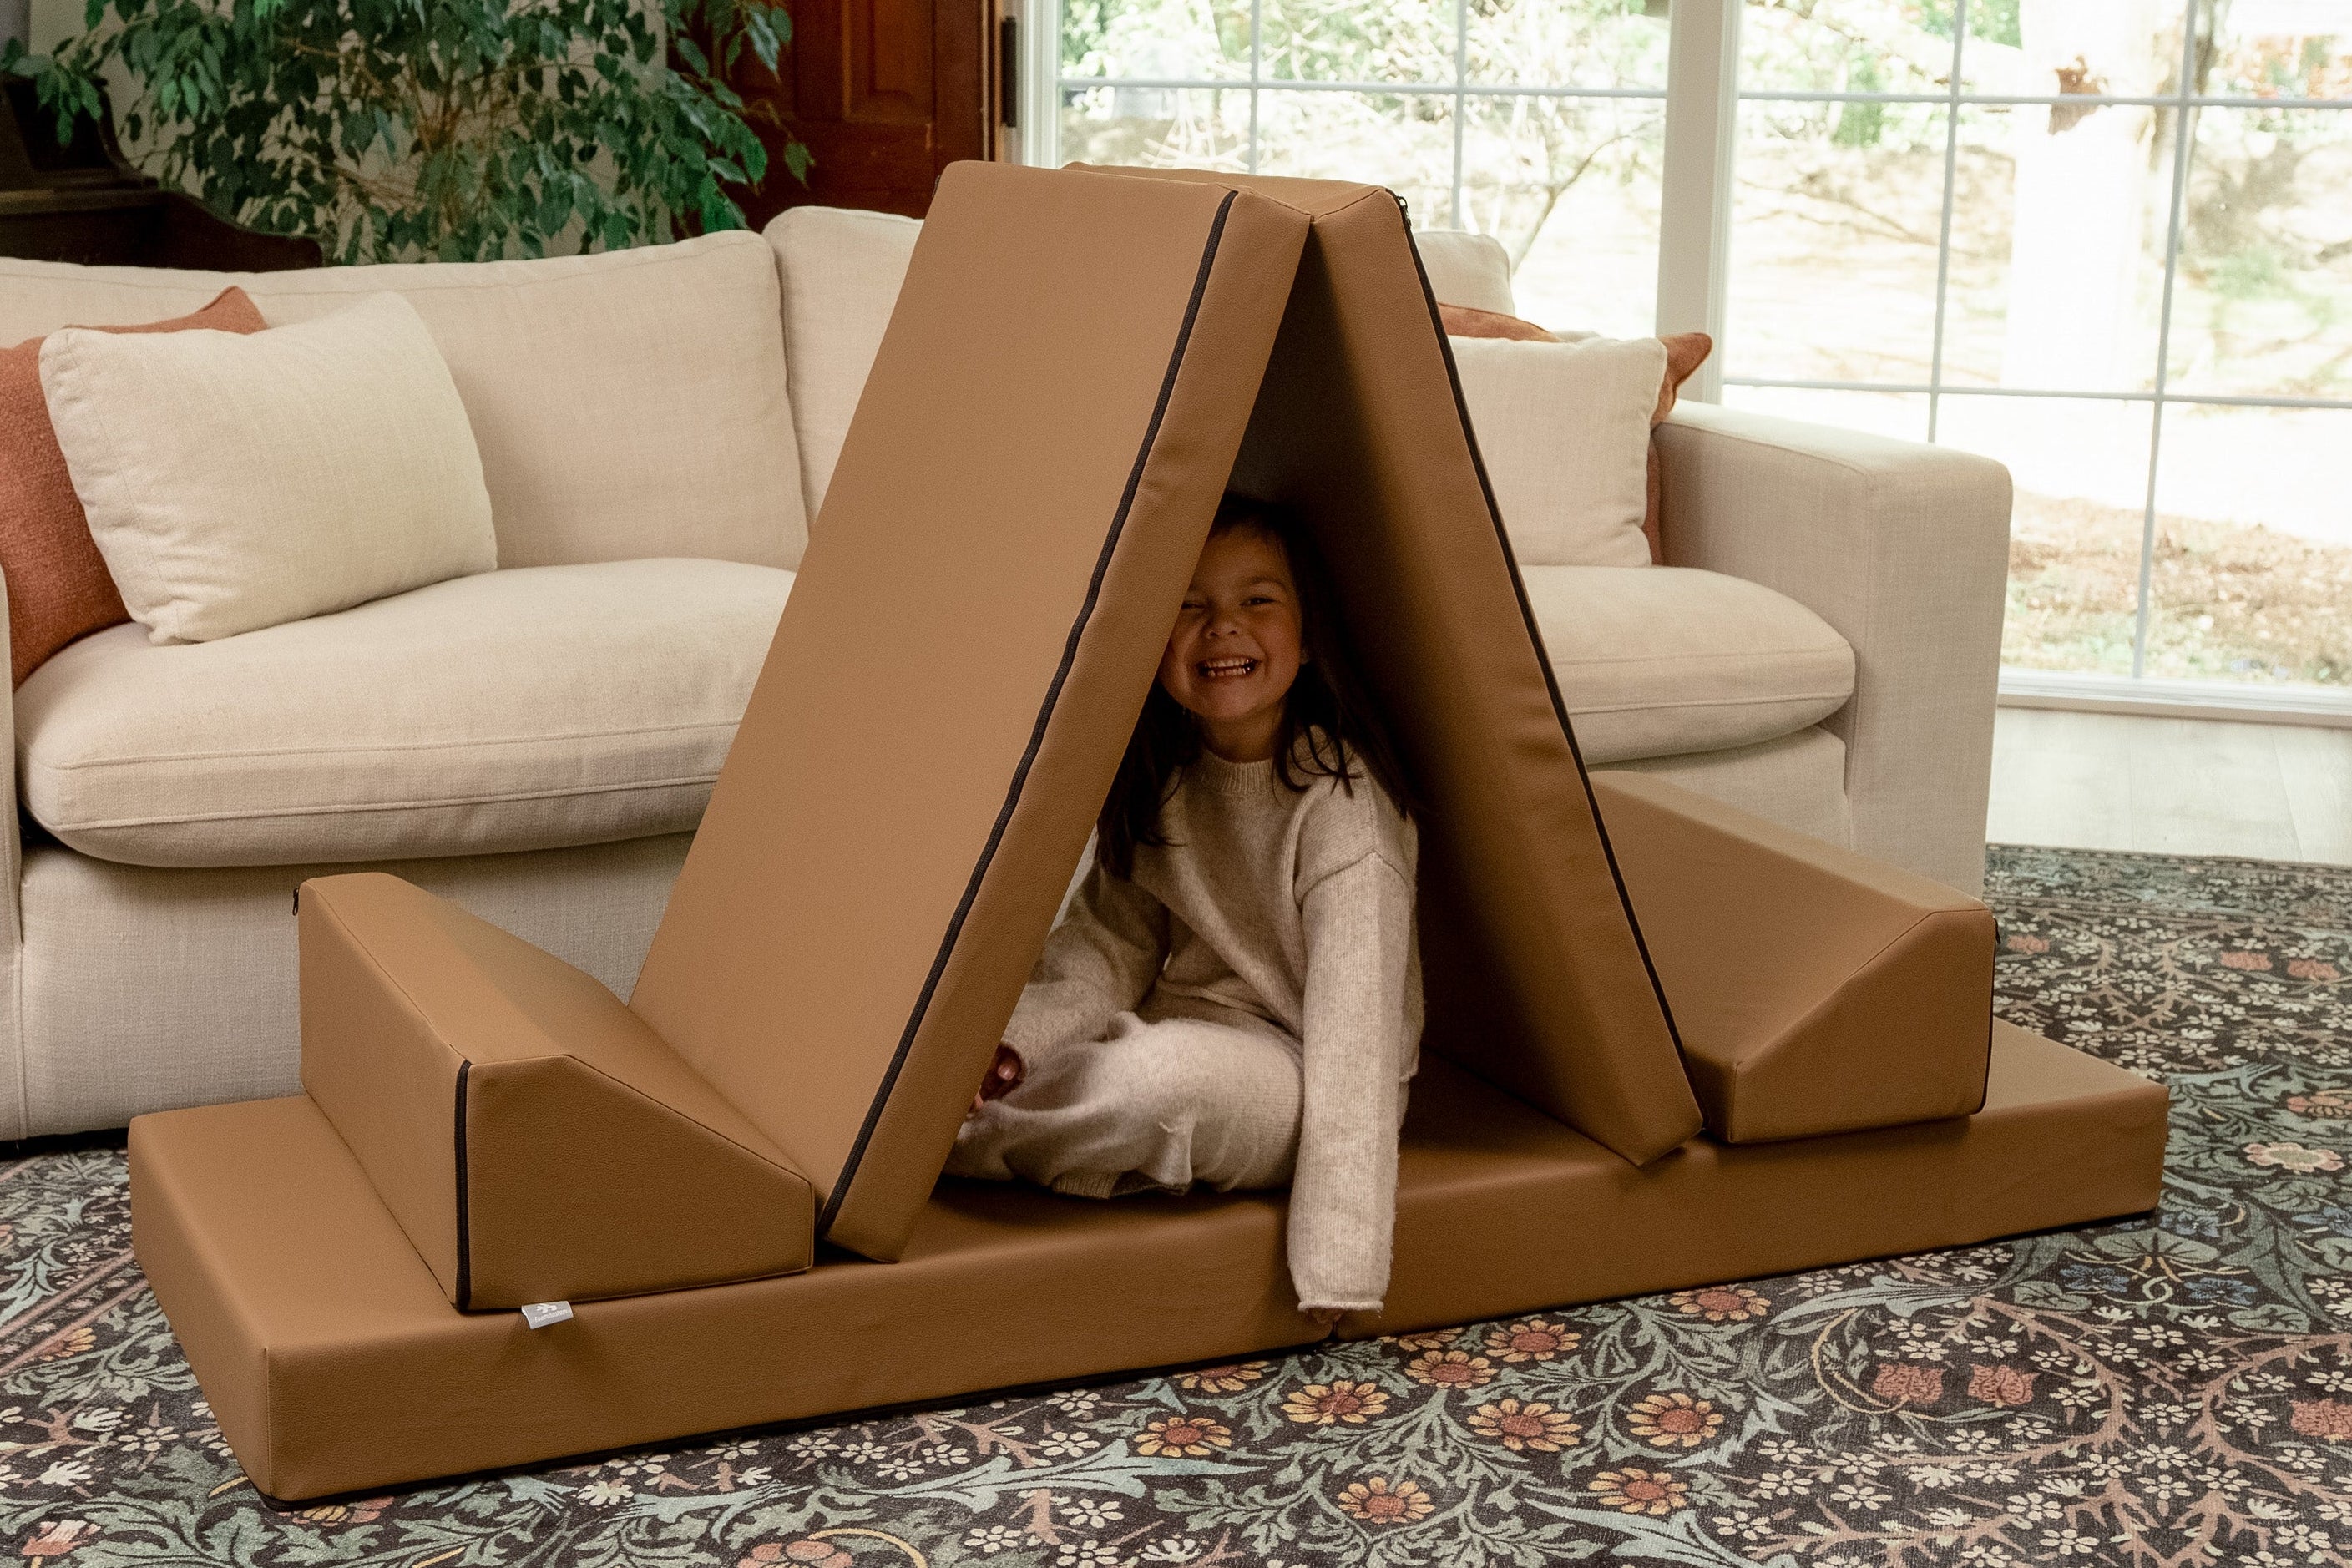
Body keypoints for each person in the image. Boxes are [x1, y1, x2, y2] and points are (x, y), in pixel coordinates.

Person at [947, 494, 1422, 1323]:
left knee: (1159, 1085)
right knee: (1019, 1054)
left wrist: (1340, 1266)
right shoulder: (1165, 774)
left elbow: (1358, 1046)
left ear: (1308, 639)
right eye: (1190, 605)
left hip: (1295, 1078)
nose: (1222, 627)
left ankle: (928, 1149)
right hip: (1177, 1031)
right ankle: (938, 1115)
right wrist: (1014, 1046)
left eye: (1257, 602)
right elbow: (1108, 944)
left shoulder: (1343, 808)